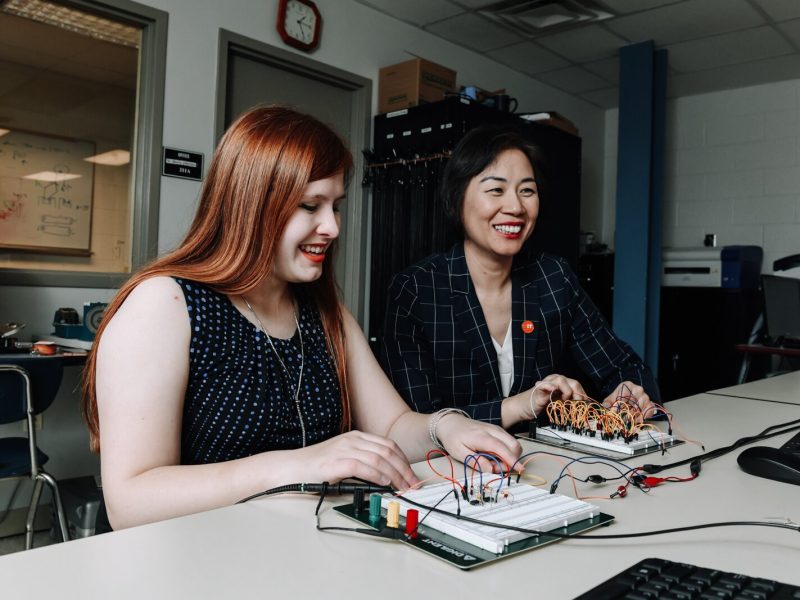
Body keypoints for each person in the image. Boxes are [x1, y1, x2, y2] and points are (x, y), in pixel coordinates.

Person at [82, 106, 521, 531]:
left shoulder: (323, 311)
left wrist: (445, 426)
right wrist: (299, 465)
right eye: (310, 206)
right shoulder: (164, 303)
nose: (332, 227)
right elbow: (130, 503)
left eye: (336, 206)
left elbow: (390, 425)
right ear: (250, 206)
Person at [380, 123, 660, 430]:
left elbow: (624, 367)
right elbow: (416, 425)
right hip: (452, 472)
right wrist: (518, 406)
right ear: (457, 199)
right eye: (496, 190)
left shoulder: (553, 278)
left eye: (527, 190)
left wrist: (628, 394)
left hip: (547, 467)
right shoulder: (416, 290)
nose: (516, 207)